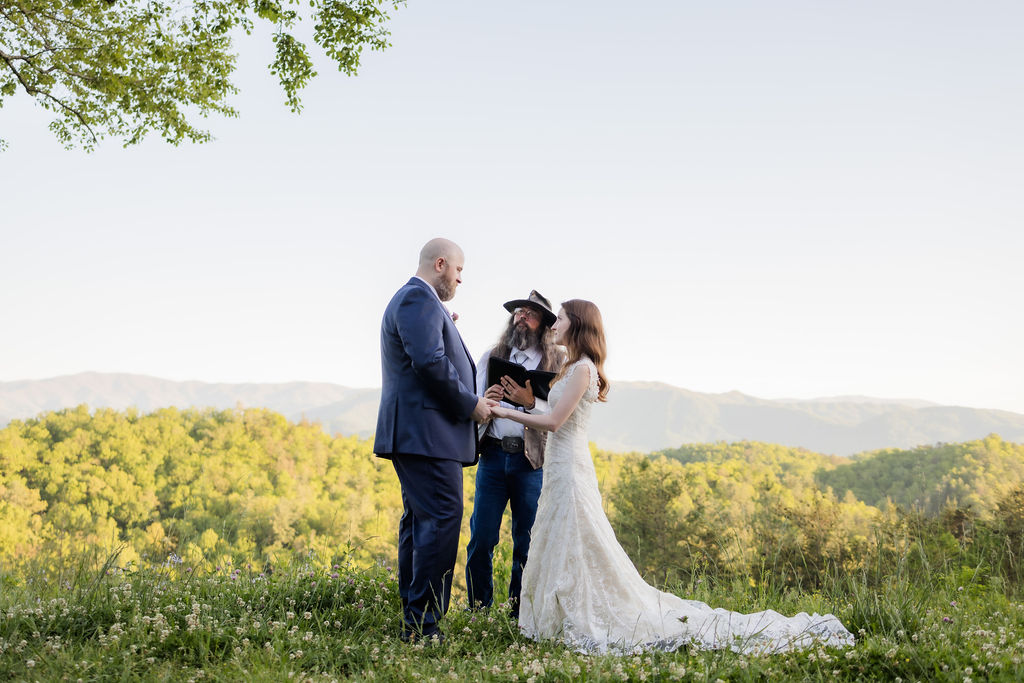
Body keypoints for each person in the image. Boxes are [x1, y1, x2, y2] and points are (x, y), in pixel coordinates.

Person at [488, 299, 855, 655]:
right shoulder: (570, 366)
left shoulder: (583, 368)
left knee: (579, 537)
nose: (554, 324)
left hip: (570, 467)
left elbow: (554, 422)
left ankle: (583, 609)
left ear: (579, 325)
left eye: (562, 318)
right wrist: (525, 401)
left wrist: (502, 409)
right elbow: (553, 409)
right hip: (558, 465)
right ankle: (557, 611)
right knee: (561, 536)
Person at [373, 237, 491, 642]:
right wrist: (471, 405)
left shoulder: (422, 304)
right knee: (440, 522)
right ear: (441, 264)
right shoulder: (417, 300)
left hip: (419, 435)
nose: (460, 280)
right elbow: (429, 362)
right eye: (459, 271)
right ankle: (423, 627)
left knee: (421, 524)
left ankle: (415, 620)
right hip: (426, 435)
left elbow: (427, 354)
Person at [465, 290, 566, 618]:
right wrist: (486, 401)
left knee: (527, 542)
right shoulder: (489, 356)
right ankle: (479, 610)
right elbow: (474, 404)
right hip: (493, 457)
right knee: (481, 538)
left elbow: (563, 414)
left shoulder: (558, 363)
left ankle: (518, 614)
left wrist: (528, 402)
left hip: (532, 463)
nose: (522, 318)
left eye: (530, 314)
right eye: (519, 313)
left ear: (544, 325)